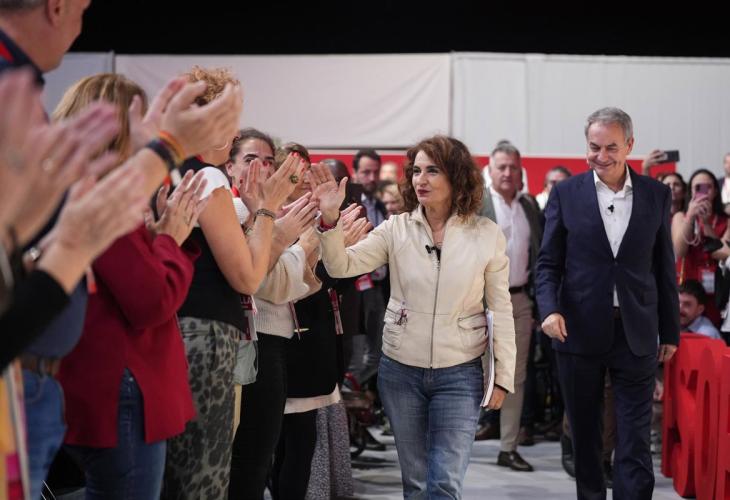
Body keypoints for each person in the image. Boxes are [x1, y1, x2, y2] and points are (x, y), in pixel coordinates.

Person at [309, 135, 516, 498]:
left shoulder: (486, 235)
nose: (421, 179)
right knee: (416, 484)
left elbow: (500, 307)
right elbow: (341, 266)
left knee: (445, 483)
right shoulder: (396, 228)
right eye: (417, 171)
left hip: (460, 372)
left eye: (432, 170)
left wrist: (502, 377)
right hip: (401, 372)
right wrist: (329, 220)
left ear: (456, 176)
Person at [162, 67, 302, 499]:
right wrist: (268, 211)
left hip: (172, 330)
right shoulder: (209, 178)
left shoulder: (167, 171)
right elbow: (248, 276)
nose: (236, 131)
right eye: (231, 119)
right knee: (203, 474)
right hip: (205, 337)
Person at [536, 107, 679, 499]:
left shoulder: (656, 194)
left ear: (630, 145)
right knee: (586, 437)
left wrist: (670, 331)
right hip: (578, 331)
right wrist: (549, 310)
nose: (601, 156)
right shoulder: (565, 193)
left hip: (637, 332)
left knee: (634, 439)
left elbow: (664, 267)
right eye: (594, 147)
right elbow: (547, 263)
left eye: (611, 147)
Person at [477, 140, 543, 472]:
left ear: (520, 172)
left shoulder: (528, 206)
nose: (507, 172)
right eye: (501, 167)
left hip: (519, 300)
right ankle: (455, 442)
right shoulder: (478, 202)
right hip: (480, 301)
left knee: (515, 375)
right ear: (490, 169)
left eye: (513, 167)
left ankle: (508, 448)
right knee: (476, 373)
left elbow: (540, 255)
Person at [671, 168, 729, 324]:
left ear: (715, 191)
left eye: (707, 187)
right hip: (687, 290)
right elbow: (680, 251)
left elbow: (721, 252)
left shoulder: (726, 220)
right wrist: (690, 216)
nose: (703, 192)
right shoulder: (680, 216)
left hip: (716, 288)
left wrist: (706, 223)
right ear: (690, 191)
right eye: (697, 188)